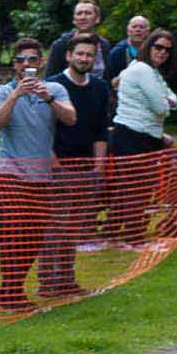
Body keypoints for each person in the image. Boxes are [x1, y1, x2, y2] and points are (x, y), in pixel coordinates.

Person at [0, 38, 76, 311]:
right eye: (21, 60)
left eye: (32, 60)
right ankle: (10, 293)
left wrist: (46, 97)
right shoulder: (2, 92)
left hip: (41, 179)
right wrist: (16, 96)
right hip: (10, 176)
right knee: (13, 236)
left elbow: (71, 118)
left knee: (33, 238)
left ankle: (13, 290)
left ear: (41, 63)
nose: (27, 65)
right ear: (14, 65)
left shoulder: (55, 89)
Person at [46, 36, 111, 294]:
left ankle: (67, 279)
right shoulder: (52, 86)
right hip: (57, 166)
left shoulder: (100, 87)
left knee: (74, 226)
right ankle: (49, 280)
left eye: (90, 55)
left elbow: (101, 130)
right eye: (80, 54)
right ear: (68, 55)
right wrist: (55, 165)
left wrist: (98, 167)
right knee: (56, 225)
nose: (85, 59)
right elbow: (44, 130)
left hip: (86, 166)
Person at [107, 26, 177, 246]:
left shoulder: (152, 71)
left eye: (167, 50)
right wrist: (166, 105)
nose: (162, 53)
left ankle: (110, 234)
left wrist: (167, 102)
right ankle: (133, 237)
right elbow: (161, 106)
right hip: (133, 135)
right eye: (158, 47)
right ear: (149, 46)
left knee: (127, 188)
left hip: (143, 135)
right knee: (138, 190)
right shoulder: (142, 70)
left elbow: (173, 98)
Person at [45, 0, 111, 77]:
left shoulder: (104, 45)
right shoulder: (60, 45)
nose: (83, 17)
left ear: (97, 19)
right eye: (79, 14)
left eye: (88, 13)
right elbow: (50, 78)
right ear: (74, 20)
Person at [103, 14, 152, 87]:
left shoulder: (153, 51)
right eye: (134, 27)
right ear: (128, 31)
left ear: (148, 32)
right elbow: (109, 79)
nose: (138, 30)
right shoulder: (118, 51)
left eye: (141, 27)